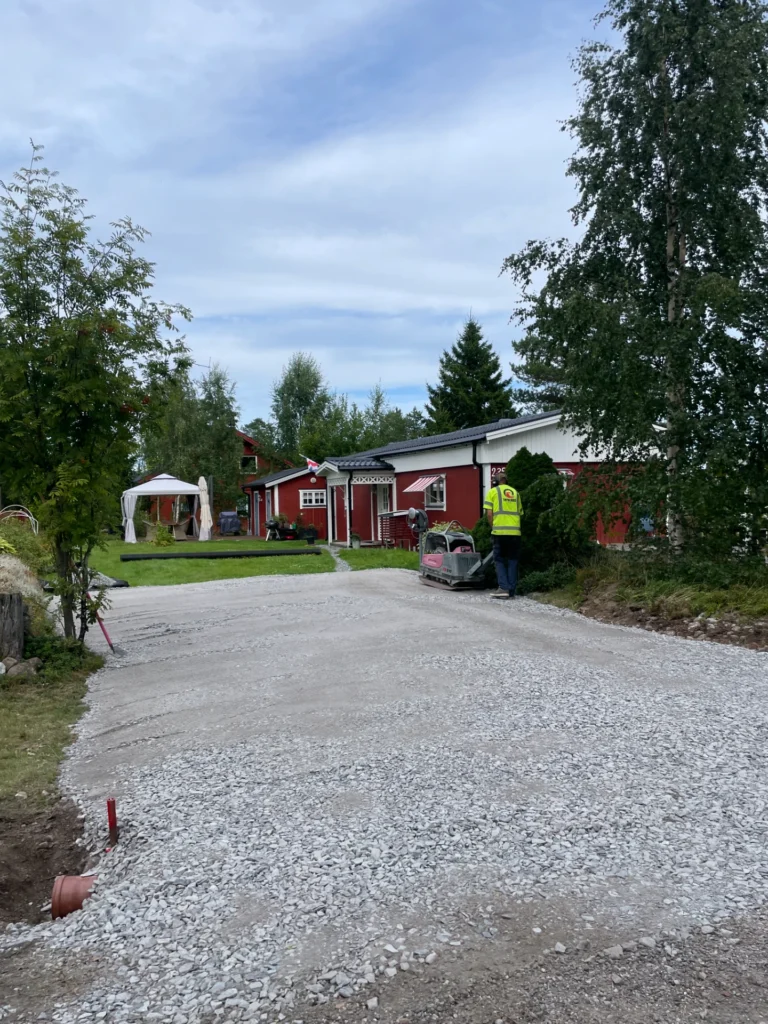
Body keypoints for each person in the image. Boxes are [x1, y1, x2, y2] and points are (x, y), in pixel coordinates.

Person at [483, 471, 523, 599]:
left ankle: (503, 588)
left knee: (499, 559)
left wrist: (493, 527)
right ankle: (511, 590)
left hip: (499, 532)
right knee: (512, 560)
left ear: (495, 482)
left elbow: (489, 514)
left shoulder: (492, 492)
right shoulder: (515, 493)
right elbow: (520, 513)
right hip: (515, 533)